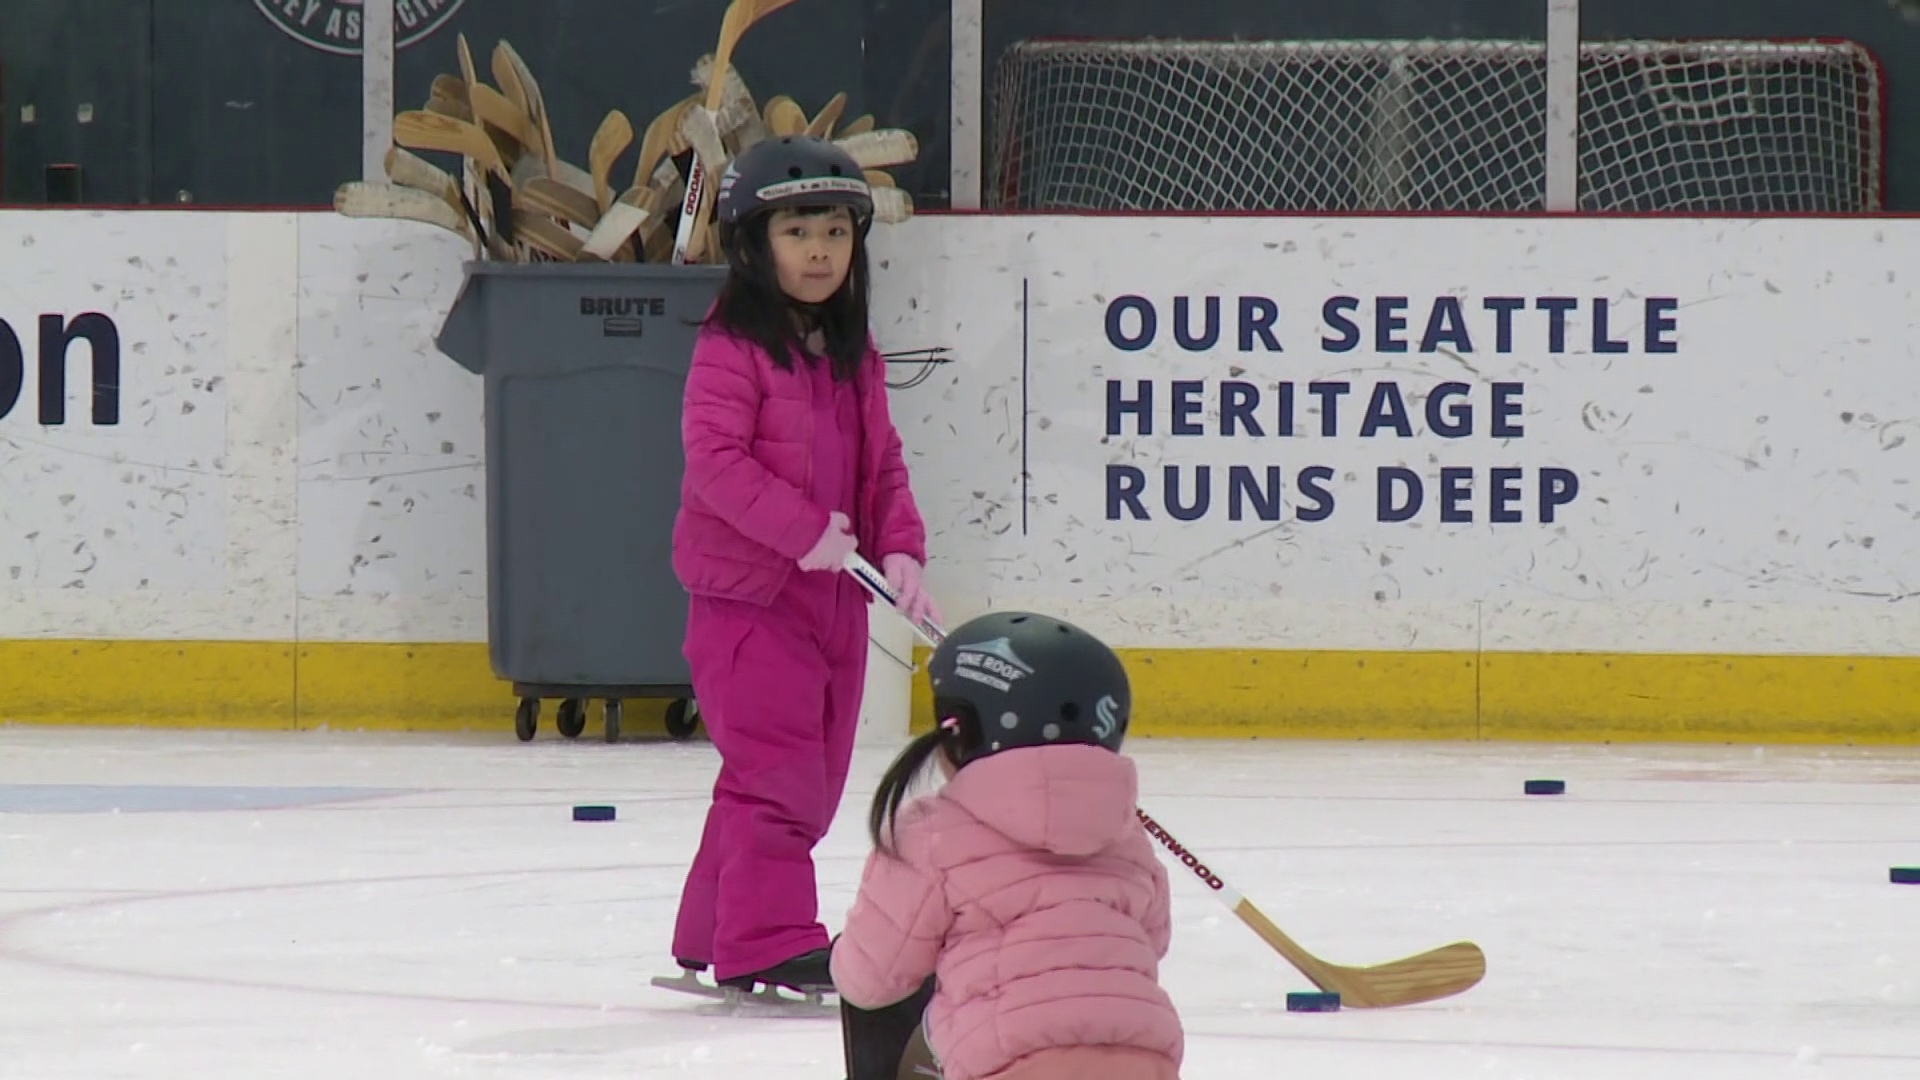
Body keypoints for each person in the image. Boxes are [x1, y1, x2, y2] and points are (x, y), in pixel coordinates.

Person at [667, 134, 939, 997]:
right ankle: (770, 938)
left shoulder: (854, 354)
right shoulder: (731, 348)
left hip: (834, 603)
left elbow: (882, 465)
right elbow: (713, 460)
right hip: (750, 602)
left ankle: (713, 929)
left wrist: (900, 547)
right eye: (796, 232)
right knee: (777, 777)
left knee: (802, 783)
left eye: (835, 232)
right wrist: (801, 532)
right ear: (753, 245)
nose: (820, 251)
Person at [830, 612, 1185, 1080]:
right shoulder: (1127, 837)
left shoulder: (930, 833)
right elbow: (1152, 943)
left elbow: (869, 981)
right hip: (1148, 1064)